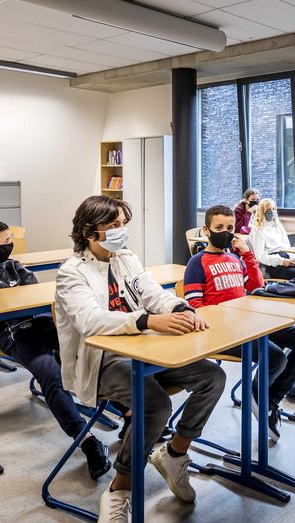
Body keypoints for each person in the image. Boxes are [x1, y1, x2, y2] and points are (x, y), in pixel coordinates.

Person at [54, 195, 226, 521]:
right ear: (90, 232)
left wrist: (181, 309)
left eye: (123, 224)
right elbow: (89, 322)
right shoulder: (71, 273)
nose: (122, 231)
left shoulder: (125, 257)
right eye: (114, 225)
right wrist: (146, 321)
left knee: (211, 377)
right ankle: (120, 488)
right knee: (156, 405)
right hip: (100, 361)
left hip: (141, 350)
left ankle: (175, 454)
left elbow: (152, 293)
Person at [0, 220, 111, 481]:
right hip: (14, 333)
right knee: (52, 374)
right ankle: (86, 440)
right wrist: (15, 295)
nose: (11, 245)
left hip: (43, 323)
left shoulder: (13, 266)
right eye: (6, 241)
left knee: (95, 351)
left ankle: (129, 411)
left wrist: (17, 296)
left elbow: (32, 293)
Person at [184, 205, 295, 442]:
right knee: (276, 358)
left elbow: (256, 287)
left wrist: (247, 254)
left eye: (229, 228)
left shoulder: (235, 257)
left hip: (249, 323)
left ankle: (269, 401)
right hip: (222, 332)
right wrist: (226, 317)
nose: (225, 232)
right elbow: (195, 307)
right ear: (206, 230)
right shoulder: (197, 262)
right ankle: (258, 395)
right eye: (219, 228)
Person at [248, 198, 295, 280]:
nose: (272, 212)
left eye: (273, 209)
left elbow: (287, 247)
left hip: (286, 258)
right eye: (268, 209)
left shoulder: (278, 226)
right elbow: (260, 256)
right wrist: (282, 261)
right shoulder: (257, 230)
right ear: (262, 212)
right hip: (273, 264)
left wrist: (294, 257)